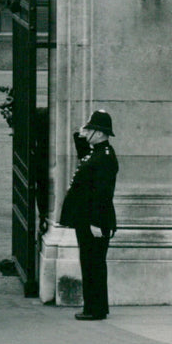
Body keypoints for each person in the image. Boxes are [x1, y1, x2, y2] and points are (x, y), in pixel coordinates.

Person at [59, 109, 119, 321]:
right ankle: (94, 306)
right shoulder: (96, 153)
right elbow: (84, 155)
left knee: (94, 263)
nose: (89, 132)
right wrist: (81, 133)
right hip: (86, 218)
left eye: (92, 129)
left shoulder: (105, 157)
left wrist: (96, 221)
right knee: (89, 262)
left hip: (95, 220)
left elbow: (102, 194)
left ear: (101, 134)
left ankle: (96, 309)